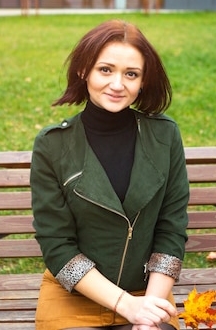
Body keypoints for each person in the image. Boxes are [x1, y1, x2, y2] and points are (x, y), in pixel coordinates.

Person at [30, 20, 190, 330]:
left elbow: (171, 229)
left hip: (146, 293)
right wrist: (125, 305)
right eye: (105, 70)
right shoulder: (53, 145)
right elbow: (56, 244)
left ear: (143, 81)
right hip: (75, 296)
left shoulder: (165, 136)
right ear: (83, 71)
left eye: (131, 74)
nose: (117, 84)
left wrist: (148, 313)